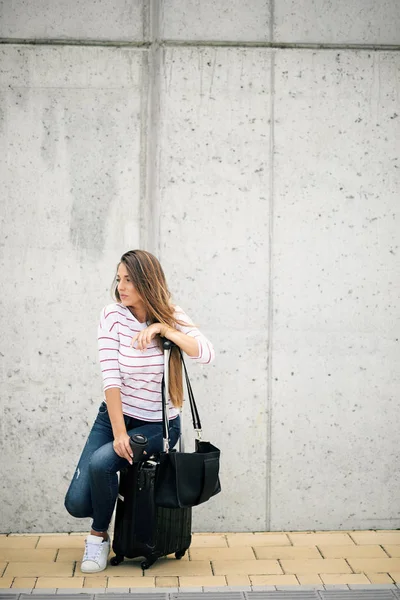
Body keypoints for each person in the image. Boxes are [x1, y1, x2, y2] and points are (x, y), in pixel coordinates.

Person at [64, 249, 215, 573]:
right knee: (76, 503)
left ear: (147, 280)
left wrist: (164, 330)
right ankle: (116, 492)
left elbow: (206, 353)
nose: (122, 286)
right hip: (115, 417)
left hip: (159, 426)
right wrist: (118, 433)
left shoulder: (171, 314)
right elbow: (111, 378)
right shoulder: (112, 316)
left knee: (103, 463)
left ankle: (98, 538)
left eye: (129, 279)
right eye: (119, 278)